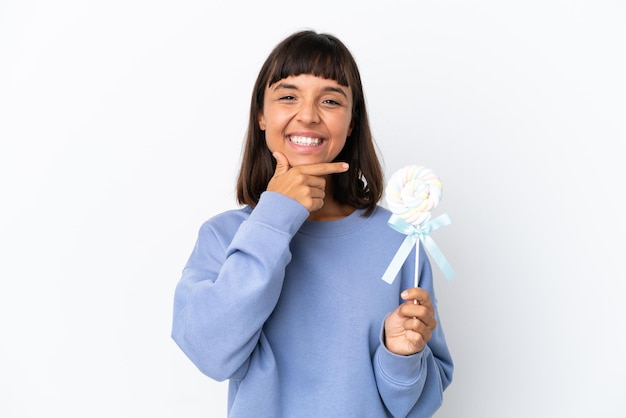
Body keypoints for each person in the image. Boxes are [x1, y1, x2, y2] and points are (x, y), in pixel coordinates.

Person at [171, 30, 453, 418]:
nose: (307, 114)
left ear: (352, 122)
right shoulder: (223, 236)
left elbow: (419, 403)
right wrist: (274, 216)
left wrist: (399, 355)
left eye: (331, 100)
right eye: (288, 96)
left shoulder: (401, 239)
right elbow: (210, 354)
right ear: (261, 116)